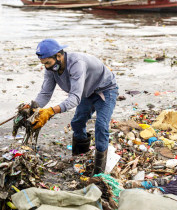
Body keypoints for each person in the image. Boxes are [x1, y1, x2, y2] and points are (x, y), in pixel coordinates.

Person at [31, 38, 118, 175]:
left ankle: (99, 172)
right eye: (44, 64)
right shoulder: (51, 69)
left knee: (101, 126)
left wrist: (51, 111)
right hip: (86, 91)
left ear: (59, 56)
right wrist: (33, 107)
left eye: (48, 63)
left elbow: (75, 98)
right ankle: (80, 158)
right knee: (77, 123)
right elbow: (46, 93)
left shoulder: (77, 63)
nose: (46, 67)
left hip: (105, 90)